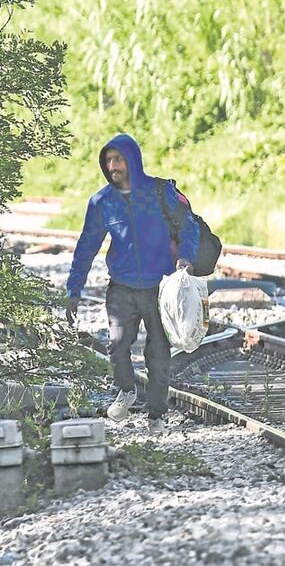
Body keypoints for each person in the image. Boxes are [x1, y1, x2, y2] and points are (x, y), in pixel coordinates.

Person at [65, 134, 200, 435]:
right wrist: (74, 289)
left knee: (158, 355)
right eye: (108, 160)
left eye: (118, 159)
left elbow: (190, 227)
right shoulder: (102, 202)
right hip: (121, 287)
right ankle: (126, 390)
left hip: (160, 288)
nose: (113, 166)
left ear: (133, 160)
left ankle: (157, 415)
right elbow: (86, 247)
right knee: (117, 345)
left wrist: (187, 259)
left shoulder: (160, 192)